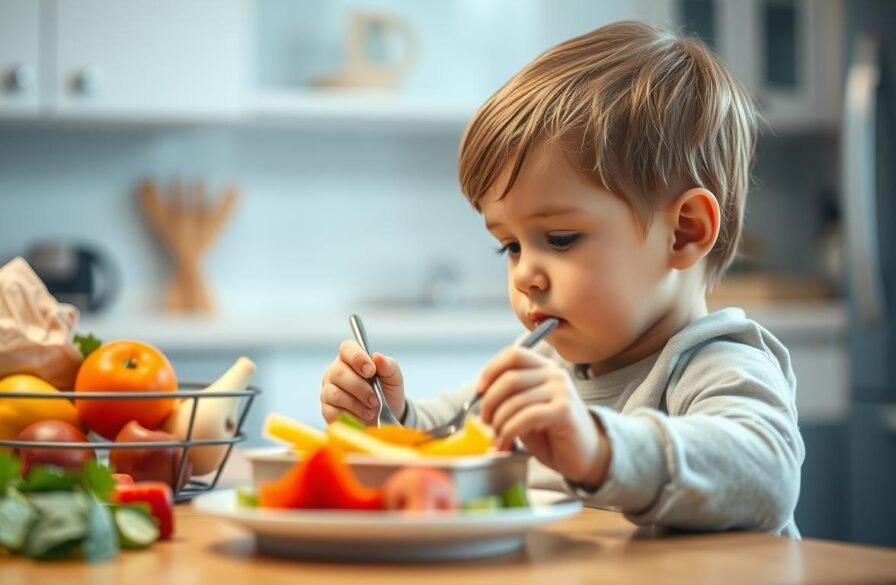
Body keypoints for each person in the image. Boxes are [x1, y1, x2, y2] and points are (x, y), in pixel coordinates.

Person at [319, 21, 803, 536]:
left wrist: (599, 449)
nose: (526, 273)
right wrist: (387, 418)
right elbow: (456, 435)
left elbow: (766, 475)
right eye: (510, 245)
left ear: (683, 233)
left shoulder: (717, 363)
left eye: (561, 239)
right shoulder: (548, 363)